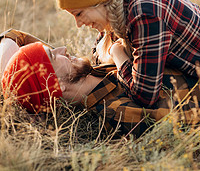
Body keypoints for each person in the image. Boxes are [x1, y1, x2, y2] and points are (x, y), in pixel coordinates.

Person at [54, 0, 200, 109]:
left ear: (97, 0)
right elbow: (98, 55)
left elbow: (145, 96)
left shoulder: (144, 16)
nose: (78, 24)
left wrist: (117, 54)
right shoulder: (118, 1)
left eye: (79, 13)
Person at [0, 28, 200, 138]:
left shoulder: (82, 73)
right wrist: (117, 53)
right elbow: (184, 119)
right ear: (56, 86)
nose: (62, 48)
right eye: (53, 55)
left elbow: (14, 36)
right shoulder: (115, 111)